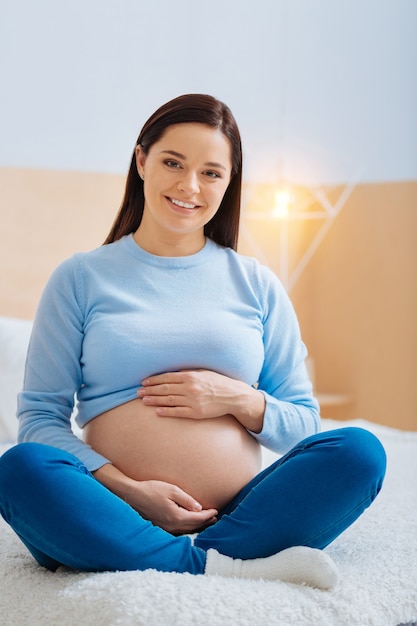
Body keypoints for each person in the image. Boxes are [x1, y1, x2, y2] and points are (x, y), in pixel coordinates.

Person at [0, 94, 386, 589]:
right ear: (141, 161)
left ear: (229, 183)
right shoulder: (80, 278)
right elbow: (39, 420)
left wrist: (238, 399)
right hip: (113, 507)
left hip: (236, 515)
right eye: (173, 163)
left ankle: (179, 556)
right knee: (19, 468)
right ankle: (217, 565)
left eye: (211, 172)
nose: (189, 186)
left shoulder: (257, 284)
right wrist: (128, 489)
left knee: (359, 452)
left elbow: (304, 427)